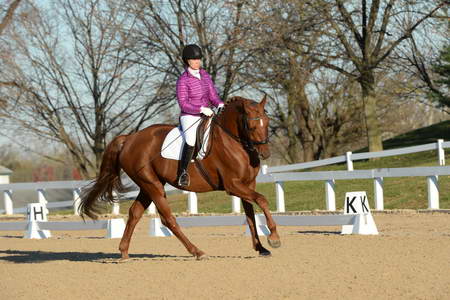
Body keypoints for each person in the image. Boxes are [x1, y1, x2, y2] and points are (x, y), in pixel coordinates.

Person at [176, 44, 224, 187]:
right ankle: (183, 172)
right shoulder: (183, 80)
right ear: (187, 61)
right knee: (191, 140)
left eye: (199, 59)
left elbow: (212, 95)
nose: (197, 62)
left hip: (207, 113)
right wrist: (200, 109)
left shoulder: (205, 75)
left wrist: (219, 104)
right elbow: (183, 103)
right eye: (194, 59)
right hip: (189, 115)